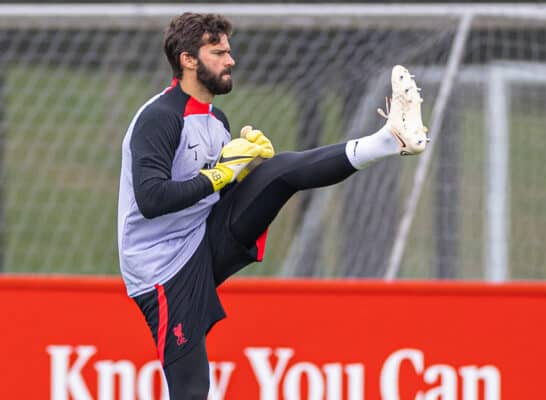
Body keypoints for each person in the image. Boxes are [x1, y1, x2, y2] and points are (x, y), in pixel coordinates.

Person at [117, 12, 428, 399]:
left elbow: (208, 192)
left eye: (229, 51)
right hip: (161, 269)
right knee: (192, 388)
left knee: (280, 171)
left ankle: (389, 138)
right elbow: (151, 199)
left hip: (201, 238)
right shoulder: (160, 118)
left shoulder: (216, 119)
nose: (231, 60)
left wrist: (239, 170)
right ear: (188, 60)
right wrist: (219, 174)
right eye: (218, 52)